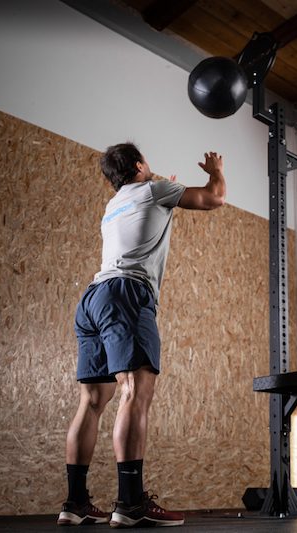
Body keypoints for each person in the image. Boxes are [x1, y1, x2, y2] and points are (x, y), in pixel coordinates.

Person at [57, 142, 226, 527]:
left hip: (93, 298)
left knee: (92, 401)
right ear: (138, 165)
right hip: (127, 295)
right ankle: (131, 504)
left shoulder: (113, 205)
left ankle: (75, 503)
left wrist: (165, 192)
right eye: (146, 162)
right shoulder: (153, 189)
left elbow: (149, 213)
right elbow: (214, 198)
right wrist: (215, 169)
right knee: (135, 391)